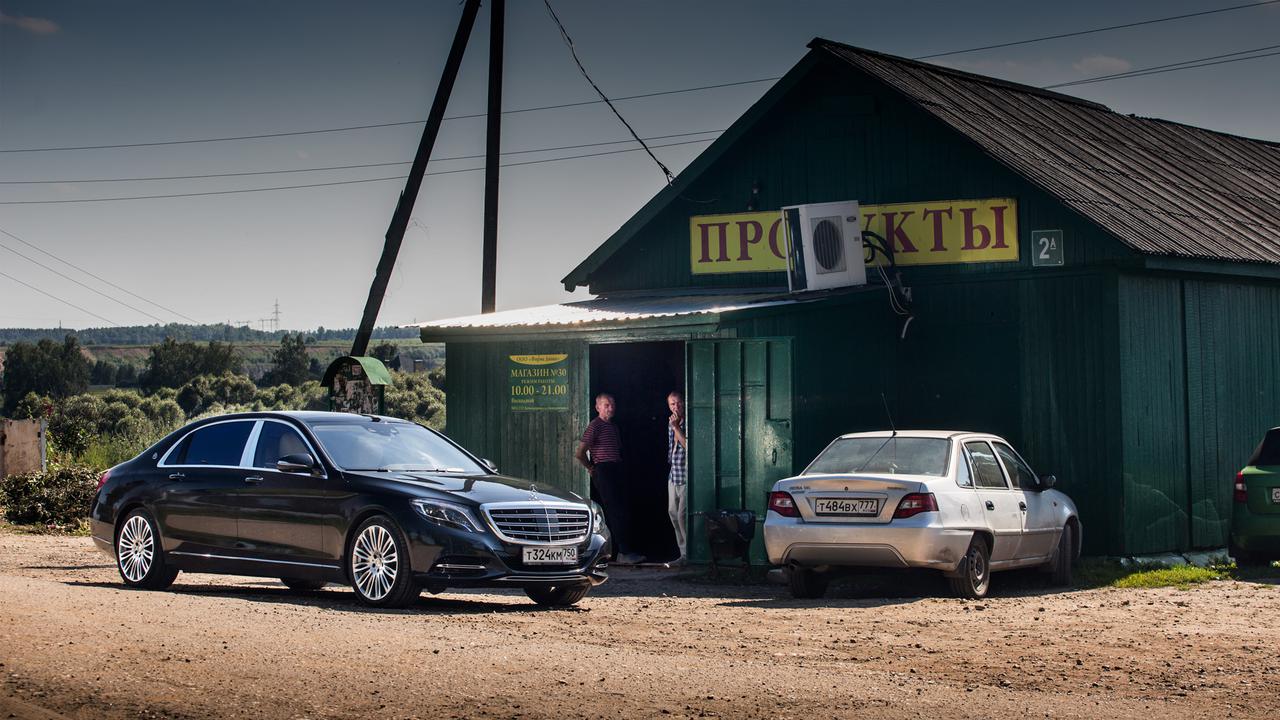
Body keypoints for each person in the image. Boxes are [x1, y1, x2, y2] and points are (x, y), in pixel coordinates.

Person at [575, 393, 645, 565]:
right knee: (615, 512)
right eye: (606, 405)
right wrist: (592, 468)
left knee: (622, 511)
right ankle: (623, 553)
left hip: (616, 470)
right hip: (604, 470)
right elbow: (579, 453)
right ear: (597, 407)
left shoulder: (613, 427)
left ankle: (620, 551)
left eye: (612, 405)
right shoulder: (595, 426)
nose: (611, 408)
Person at [666, 391, 688, 565]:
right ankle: (682, 553)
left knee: (682, 515)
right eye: (672, 404)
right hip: (674, 474)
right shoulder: (671, 423)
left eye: (679, 403)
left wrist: (676, 428)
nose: (676, 407)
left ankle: (688, 554)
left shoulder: (687, 421)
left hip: (687, 475)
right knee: (673, 513)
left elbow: (688, 445)